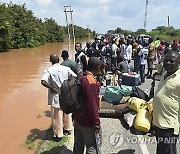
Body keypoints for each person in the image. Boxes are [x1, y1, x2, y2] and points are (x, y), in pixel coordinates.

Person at [41, 54, 77, 140]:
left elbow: (43, 81)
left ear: (50, 61)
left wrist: (52, 88)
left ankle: (58, 133)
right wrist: (68, 86)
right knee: (67, 112)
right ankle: (68, 128)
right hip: (66, 93)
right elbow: (75, 77)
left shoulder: (48, 70)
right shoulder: (66, 69)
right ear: (58, 60)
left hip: (56, 94)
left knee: (57, 115)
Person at [73, 57, 102, 154]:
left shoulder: (82, 77)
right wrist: (96, 123)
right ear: (97, 67)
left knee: (78, 145)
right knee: (92, 146)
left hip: (77, 118)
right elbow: (92, 106)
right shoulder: (91, 82)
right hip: (87, 122)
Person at [152, 51, 180, 154]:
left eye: (171, 61)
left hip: (169, 126)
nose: (168, 63)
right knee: (161, 150)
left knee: (168, 151)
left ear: (179, 62)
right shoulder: (165, 74)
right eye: (166, 60)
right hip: (159, 123)